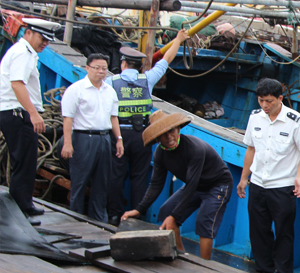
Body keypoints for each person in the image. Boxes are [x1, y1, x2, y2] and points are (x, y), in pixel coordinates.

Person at [121, 110, 233, 260]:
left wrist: (175, 216)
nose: (169, 137)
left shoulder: (194, 148)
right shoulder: (160, 154)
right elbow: (156, 184)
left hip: (218, 185)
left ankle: (205, 266)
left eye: (171, 131)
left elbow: (191, 183)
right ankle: (182, 256)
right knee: (166, 211)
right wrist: (139, 209)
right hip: (195, 185)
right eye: (163, 134)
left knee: (204, 222)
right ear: (157, 138)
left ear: (178, 129)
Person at [107, 29, 190, 225]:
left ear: (123, 64)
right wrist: (178, 40)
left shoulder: (111, 81)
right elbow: (166, 60)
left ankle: (113, 215)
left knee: (117, 175)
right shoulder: (147, 79)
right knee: (139, 177)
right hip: (142, 137)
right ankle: (136, 215)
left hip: (119, 135)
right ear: (139, 65)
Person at [237, 78, 300, 273]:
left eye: (269, 101)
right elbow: (251, 149)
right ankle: (264, 272)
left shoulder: (295, 121)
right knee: (258, 231)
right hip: (259, 184)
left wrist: (299, 177)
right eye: (261, 100)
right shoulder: (255, 118)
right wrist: (244, 178)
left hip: (283, 187)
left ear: (280, 98)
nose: (264, 105)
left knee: (284, 233)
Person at [0, 18, 60, 223]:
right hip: (17, 113)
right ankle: (20, 210)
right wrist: (33, 113)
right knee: (24, 161)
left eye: (47, 41)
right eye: (42, 38)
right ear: (28, 33)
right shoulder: (22, 53)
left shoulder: (25, 53)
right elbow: (17, 84)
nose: (45, 43)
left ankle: (24, 204)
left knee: (26, 160)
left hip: (17, 112)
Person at [60, 54, 124, 222]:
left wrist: (118, 139)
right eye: (97, 68)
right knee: (79, 183)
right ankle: (75, 220)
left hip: (104, 139)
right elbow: (68, 118)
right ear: (87, 68)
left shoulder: (109, 91)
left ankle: (98, 221)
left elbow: (113, 117)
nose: (101, 72)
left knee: (101, 183)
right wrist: (67, 143)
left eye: (104, 68)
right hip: (83, 139)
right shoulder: (76, 90)